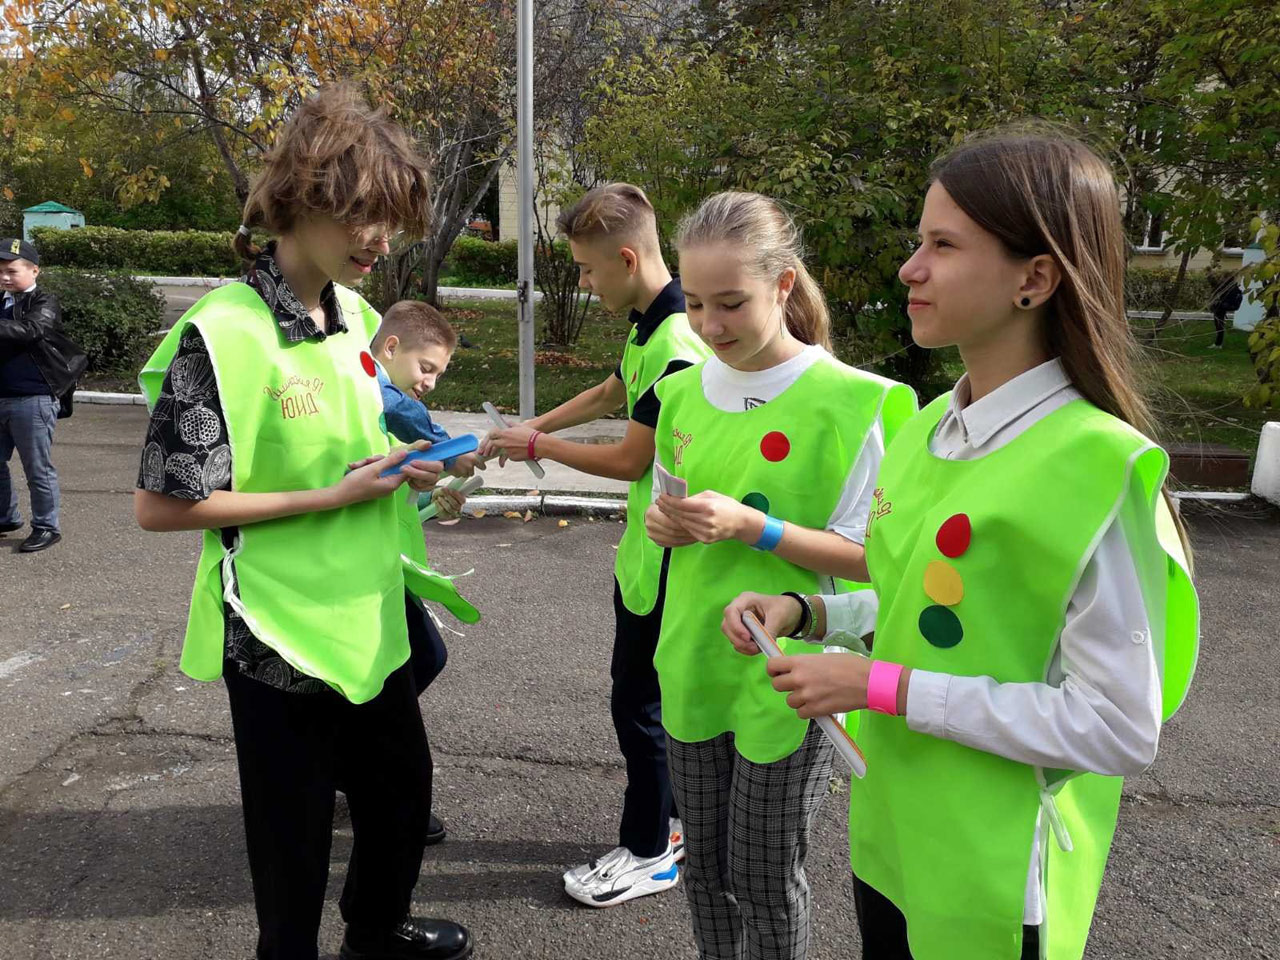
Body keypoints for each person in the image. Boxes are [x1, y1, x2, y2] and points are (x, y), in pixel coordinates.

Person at [722, 128, 1200, 960]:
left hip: (995, 876)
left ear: (1035, 279)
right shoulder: (932, 427)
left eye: (942, 245)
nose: (910, 268)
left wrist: (883, 686)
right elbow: (931, 597)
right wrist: (808, 611)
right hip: (893, 838)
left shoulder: (1100, 466)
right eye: (919, 240)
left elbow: (1120, 729)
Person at [134, 85, 473, 960]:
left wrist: (416, 469)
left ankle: (377, 932)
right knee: (290, 832)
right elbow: (164, 505)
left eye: (391, 220)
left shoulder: (357, 317)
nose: (381, 240)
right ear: (302, 197)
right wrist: (333, 497)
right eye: (366, 214)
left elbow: (356, 450)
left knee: (400, 791)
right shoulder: (226, 332)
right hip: (276, 626)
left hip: (369, 604)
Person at [645, 191, 915, 960]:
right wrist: (667, 524)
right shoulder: (679, 393)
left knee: (763, 876)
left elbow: (879, 559)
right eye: (695, 303)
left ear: (785, 286)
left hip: (791, 677)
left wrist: (754, 526)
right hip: (693, 661)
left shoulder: (859, 402)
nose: (709, 326)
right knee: (704, 875)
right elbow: (667, 510)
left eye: (731, 303)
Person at [482, 183, 710, 907]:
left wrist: (539, 444)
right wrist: (530, 427)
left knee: (638, 704)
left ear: (627, 257)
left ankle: (651, 851)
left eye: (585, 269)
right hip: (649, 552)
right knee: (646, 699)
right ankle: (670, 825)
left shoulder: (676, 341)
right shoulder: (650, 321)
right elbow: (613, 391)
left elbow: (630, 461)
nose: (581, 282)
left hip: (672, 556)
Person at [0, 238, 87, 553]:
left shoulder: (44, 301)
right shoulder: (1, 302)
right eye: (0, 272)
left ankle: (47, 527)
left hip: (33, 398)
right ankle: (7, 518)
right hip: (2, 396)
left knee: (36, 466)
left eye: (11, 271)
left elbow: (31, 330)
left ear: (34, 270)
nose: (5, 277)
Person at [1207, 268, 1243, 349]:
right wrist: (1210, 276)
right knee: (1218, 325)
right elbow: (1215, 285)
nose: (1221, 278)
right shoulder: (1228, 286)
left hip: (1222, 307)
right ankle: (1218, 343)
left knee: (1219, 325)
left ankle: (1218, 344)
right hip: (1221, 307)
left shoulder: (1230, 287)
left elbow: (1217, 288)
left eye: (1223, 277)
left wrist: (1219, 303)